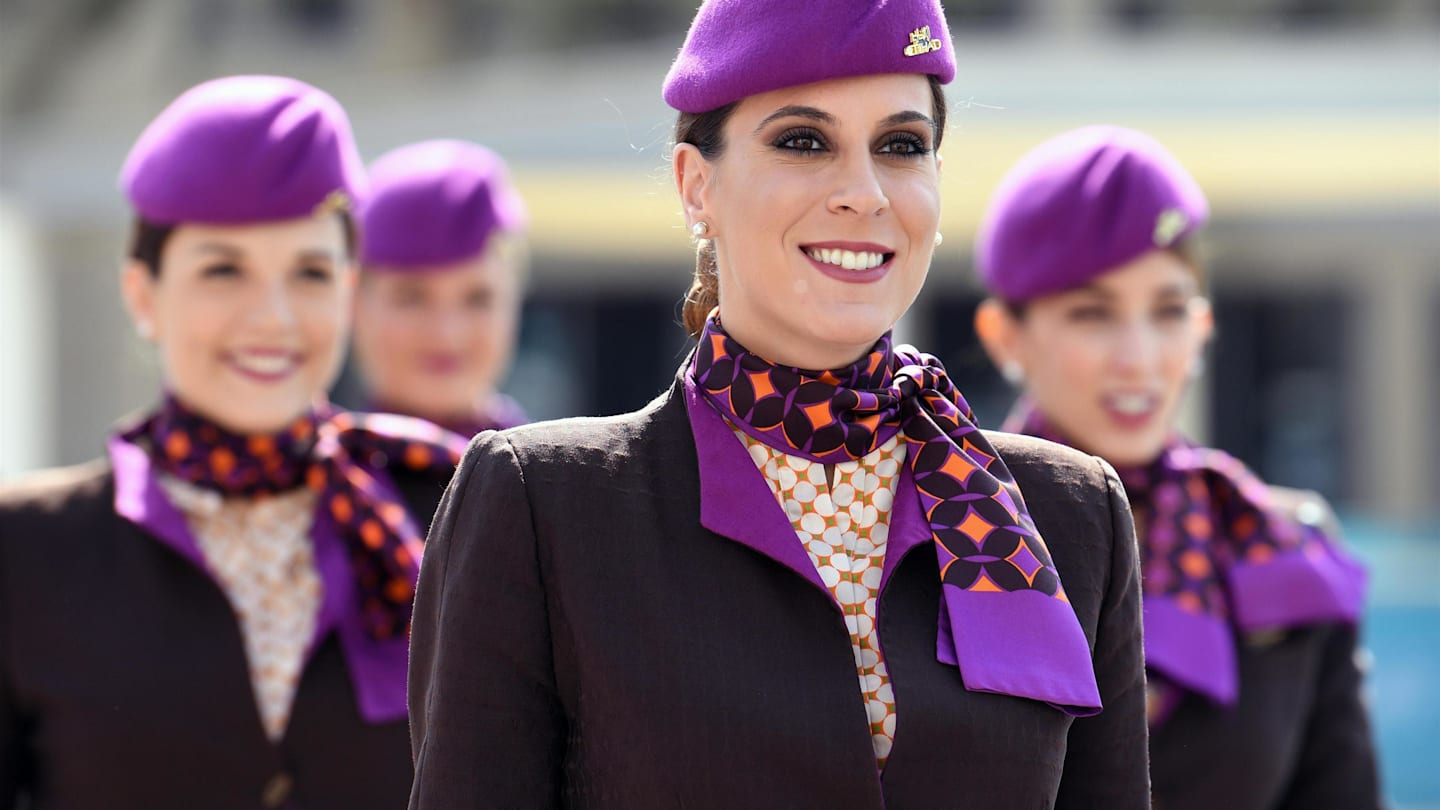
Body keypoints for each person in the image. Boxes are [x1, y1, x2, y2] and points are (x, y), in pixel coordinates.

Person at [407, 3, 1149, 807]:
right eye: (804, 141)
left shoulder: (1069, 516)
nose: (863, 194)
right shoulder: (543, 505)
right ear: (698, 186)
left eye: (901, 147)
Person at [0, 75, 468, 809]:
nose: (273, 318)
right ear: (142, 295)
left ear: (348, 294)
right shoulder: (24, 547)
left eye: (310, 273)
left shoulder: (453, 513)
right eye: (224, 270)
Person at [972, 125, 1379, 810]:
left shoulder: (1282, 551)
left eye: (1167, 311)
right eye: (1091, 313)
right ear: (1005, 335)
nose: (1139, 356)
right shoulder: (942, 532)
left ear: (1202, 327)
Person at [351, 139, 529, 437]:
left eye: (478, 299)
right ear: (353, 302)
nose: (447, 332)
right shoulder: (305, 478)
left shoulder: (561, 478)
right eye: (412, 297)